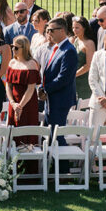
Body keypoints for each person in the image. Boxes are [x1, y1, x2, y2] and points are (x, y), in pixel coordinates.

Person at [40, 18, 78, 148]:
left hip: (60, 100)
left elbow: (63, 78)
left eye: (51, 30)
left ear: (62, 31)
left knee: (57, 136)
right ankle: (52, 166)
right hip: (51, 99)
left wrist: (45, 89)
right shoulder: (55, 48)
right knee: (50, 136)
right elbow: (47, 73)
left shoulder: (69, 51)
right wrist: (42, 88)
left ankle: (63, 167)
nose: (48, 33)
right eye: (47, 30)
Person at [5, 37, 41, 158]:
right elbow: (8, 85)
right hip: (13, 103)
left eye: (16, 48)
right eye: (12, 47)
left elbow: (31, 89)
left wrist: (20, 106)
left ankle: (29, 171)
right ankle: (12, 168)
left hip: (27, 104)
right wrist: (13, 103)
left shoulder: (32, 64)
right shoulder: (11, 62)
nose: (13, 49)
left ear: (24, 48)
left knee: (27, 134)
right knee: (13, 132)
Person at [72, 16, 96, 101]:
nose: (74, 30)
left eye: (77, 28)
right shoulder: (76, 40)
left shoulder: (89, 43)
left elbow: (88, 65)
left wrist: (74, 75)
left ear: (84, 28)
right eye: (73, 27)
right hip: (75, 80)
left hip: (84, 81)